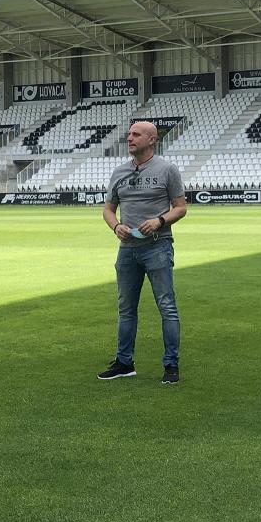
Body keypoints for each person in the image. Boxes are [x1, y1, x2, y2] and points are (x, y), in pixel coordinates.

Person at [98, 120, 187, 384]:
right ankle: (124, 362)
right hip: (127, 249)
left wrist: (159, 221)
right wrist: (116, 227)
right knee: (126, 309)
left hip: (158, 245)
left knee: (167, 307)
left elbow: (180, 207)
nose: (130, 138)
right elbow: (108, 209)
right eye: (129, 134)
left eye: (136, 134)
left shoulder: (167, 170)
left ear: (152, 139)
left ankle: (171, 365)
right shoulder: (119, 172)